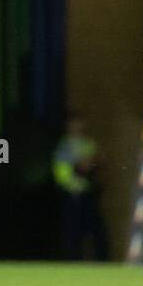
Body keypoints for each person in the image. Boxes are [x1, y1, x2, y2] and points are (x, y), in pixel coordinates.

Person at [53, 112, 108, 261]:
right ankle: (72, 261)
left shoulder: (88, 143)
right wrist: (80, 166)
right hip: (71, 193)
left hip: (87, 193)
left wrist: (94, 162)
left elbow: (97, 162)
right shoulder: (64, 145)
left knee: (97, 231)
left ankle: (102, 262)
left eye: (79, 123)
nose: (77, 126)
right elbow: (64, 169)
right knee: (72, 233)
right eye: (74, 123)